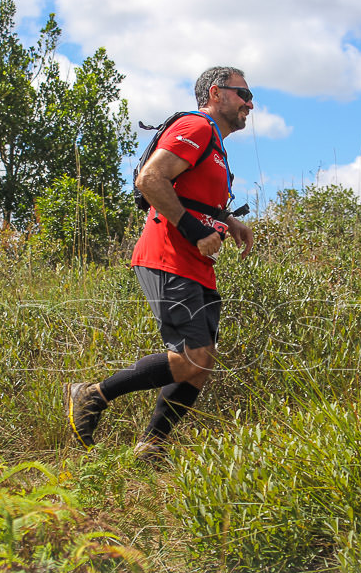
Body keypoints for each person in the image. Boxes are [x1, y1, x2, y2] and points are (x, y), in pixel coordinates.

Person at [64, 65, 255, 462]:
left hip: (194, 263)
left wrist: (228, 221)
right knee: (193, 357)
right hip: (168, 256)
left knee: (200, 364)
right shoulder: (198, 127)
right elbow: (151, 180)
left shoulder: (216, 146)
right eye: (243, 94)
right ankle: (91, 395)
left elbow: (193, 196)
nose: (250, 104)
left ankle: (151, 447)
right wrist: (194, 231)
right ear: (216, 94)